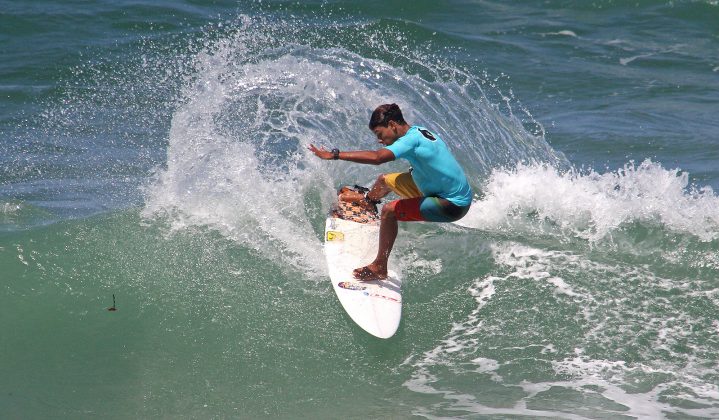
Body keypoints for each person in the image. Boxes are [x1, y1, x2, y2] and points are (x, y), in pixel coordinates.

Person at [309, 103, 472, 281]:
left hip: (451, 203)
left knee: (389, 211)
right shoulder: (418, 131)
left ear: (393, 125)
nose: (380, 140)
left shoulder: (411, 140)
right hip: (433, 184)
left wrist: (335, 155)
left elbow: (378, 157)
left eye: (380, 134)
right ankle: (368, 201)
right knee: (384, 181)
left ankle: (380, 266)